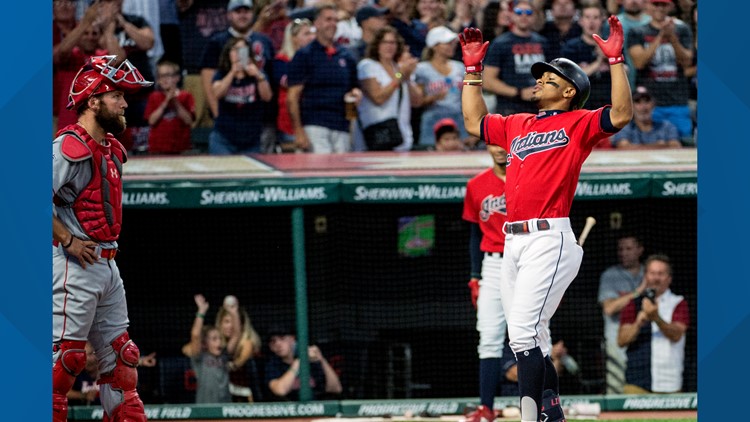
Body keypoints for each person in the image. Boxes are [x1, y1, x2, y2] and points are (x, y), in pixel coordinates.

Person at [459, 12, 633, 422]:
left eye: (549, 79)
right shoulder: (518, 123)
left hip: (548, 237)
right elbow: (473, 121)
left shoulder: (578, 123)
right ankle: (551, 413)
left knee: (520, 332)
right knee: (533, 336)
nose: (538, 81)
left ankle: (529, 415)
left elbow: (622, 114)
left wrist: (615, 62)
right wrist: (472, 72)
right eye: (540, 77)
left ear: (570, 91)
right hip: (512, 242)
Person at [53, 55, 153, 422]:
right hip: (73, 265)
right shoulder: (68, 146)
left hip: (107, 266)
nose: (125, 103)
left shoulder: (109, 147)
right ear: (93, 101)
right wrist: (67, 240)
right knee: (64, 364)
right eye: (117, 96)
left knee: (124, 364)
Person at [461, 142, 508, 422]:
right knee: (489, 339)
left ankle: (544, 403)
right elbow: (473, 235)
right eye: (494, 143)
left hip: (525, 260)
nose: (500, 149)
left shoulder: (528, 178)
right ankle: (486, 407)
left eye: (504, 143)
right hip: (492, 264)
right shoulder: (476, 185)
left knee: (537, 337)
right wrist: (474, 275)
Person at [287, 2, 363, 153]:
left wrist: (356, 94)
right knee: (320, 172)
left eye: (335, 20)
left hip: (342, 125)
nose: (333, 24)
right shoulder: (305, 54)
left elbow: (354, 88)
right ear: (317, 23)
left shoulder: (347, 55)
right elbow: (292, 97)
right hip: (315, 124)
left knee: (342, 173)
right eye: (328, 20)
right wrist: (299, 132)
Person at [618, 255, 689, 394]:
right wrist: (638, 323)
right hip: (636, 382)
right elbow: (621, 340)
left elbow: (677, 335)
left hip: (670, 383)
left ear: (669, 278)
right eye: (652, 273)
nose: (656, 278)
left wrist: (656, 318)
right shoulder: (633, 303)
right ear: (645, 276)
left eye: (661, 274)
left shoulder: (679, 303)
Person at [627, 0, 693, 141]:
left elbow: (687, 61)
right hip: (649, 103)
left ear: (670, 6)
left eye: (663, 4)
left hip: (678, 101)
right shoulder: (637, 32)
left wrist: (672, 37)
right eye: (655, 4)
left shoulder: (682, 29)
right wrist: (661, 36)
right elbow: (639, 62)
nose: (659, 8)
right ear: (647, 6)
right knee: (649, 145)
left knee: (684, 144)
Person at [96, 0, 157, 154]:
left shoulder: (136, 20)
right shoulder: (96, 28)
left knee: (144, 141)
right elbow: (113, 57)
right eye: (109, 2)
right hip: (114, 92)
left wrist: (124, 24)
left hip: (142, 91)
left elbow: (148, 43)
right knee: (117, 139)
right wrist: (108, 29)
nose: (115, 5)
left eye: (118, 2)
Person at [356, 26, 419, 151]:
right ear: (377, 45)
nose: (389, 46)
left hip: (402, 135)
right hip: (378, 133)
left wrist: (407, 77)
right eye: (385, 42)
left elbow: (417, 101)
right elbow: (378, 98)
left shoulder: (400, 68)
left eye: (393, 43)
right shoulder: (368, 66)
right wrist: (400, 76)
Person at [597, 234, 646, 394]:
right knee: (617, 389)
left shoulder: (649, 273)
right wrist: (638, 291)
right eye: (621, 249)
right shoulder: (610, 275)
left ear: (640, 250)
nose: (623, 253)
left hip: (643, 341)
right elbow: (609, 309)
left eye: (629, 248)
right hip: (616, 342)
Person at [483, 0, 550, 115]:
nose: (523, 16)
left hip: (540, 108)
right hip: (510, 109)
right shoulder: (500, 43)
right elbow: (487, 81)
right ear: (512, 15)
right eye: (519, 12)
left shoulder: (543, 42)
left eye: (528, 12)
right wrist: (519, 93)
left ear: (535, 16)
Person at [209, 36, 275, 154]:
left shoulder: (258, 75)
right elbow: (217, 94)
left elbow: (267, 97)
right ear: (228, 53)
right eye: (235, 50)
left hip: (251, 139)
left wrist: (258, 76)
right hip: (224, 137)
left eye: (242, 50)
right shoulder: (221, 73)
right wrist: (232, 73)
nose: (239, 54)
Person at [413, 26, 469, 148]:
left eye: (452, 43)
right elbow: (417, 101)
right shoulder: (422, 69)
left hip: (458, 117)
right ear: (434, 46)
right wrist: (434, 97)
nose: (452, 46)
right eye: (447, 43)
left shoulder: (459, 67)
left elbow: (467, 99)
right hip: (433, 118)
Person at [182, 294, 238, 403]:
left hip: (225, 405)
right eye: (214, 339)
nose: (219, 342)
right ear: (204, 344)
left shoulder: (224, 355)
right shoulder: (199, 357)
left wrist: (234, 313)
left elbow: (236, 334)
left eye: (220, 338)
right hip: (205, 407)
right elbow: (195, 335)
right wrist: (201, 311)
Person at [264, 326, 343, 401]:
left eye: (282, 339)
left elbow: (336, 389)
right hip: (289, 410)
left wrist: (321, 359)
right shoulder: (272, 365)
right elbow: (280, 390)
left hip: (318, 408)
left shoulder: (312, 362)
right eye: (273, 341)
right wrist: (299, 361)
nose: (278, 344)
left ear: (292, 339)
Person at [274, 18, 316, 152]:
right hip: (289, 122)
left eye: (312, 33)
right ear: (293, 38)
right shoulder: (281, 61)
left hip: (311, 119)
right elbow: (288, 83)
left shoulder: (316, 60)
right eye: (306, 34)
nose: (312, 37)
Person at [561, 3, 612, 110]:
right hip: (582, 106)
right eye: (587, 17)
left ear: (602, 20)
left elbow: (625, 70)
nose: (591, 22)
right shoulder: (571, 47)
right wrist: (599, 61)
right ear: (580, 21)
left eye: (596, 17)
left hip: (609, 104)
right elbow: (571, 78)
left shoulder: (610, 44)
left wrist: (608, 57)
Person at [215, 295, 263, 402]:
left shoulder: (247, 342)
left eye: (233, 322)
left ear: (241, 325)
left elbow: (240, 361)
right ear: (220, 323)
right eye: (227, 322)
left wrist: (230, 366)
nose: (230, 326)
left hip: (250, 393)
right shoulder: (217, 344)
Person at [144, 59, 196, 154]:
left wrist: (175, 102)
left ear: (177, 78)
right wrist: (166, 101)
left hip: (181, 148)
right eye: (161, 76)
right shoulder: (154, 96)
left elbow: (188, 121)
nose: (164, 79)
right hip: (157, 148)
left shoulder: (186, 96)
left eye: (167, 75)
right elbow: (151, 121)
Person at [611, 86, 681, 149]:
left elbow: (675, 146)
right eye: (638, 102)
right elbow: (623, 147)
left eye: (647, 101)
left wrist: (634, 147)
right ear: (631, 106)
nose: (643, 107)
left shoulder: (666, 126)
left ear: (653, 104)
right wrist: (660, 145)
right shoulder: (625, 128)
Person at [67, 343, 101, 407]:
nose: (87, 359)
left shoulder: (107, 371)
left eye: (90, 354)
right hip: (81, 414)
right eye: (83, 356)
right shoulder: (75, 373)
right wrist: (84, 395)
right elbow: (66, 393)